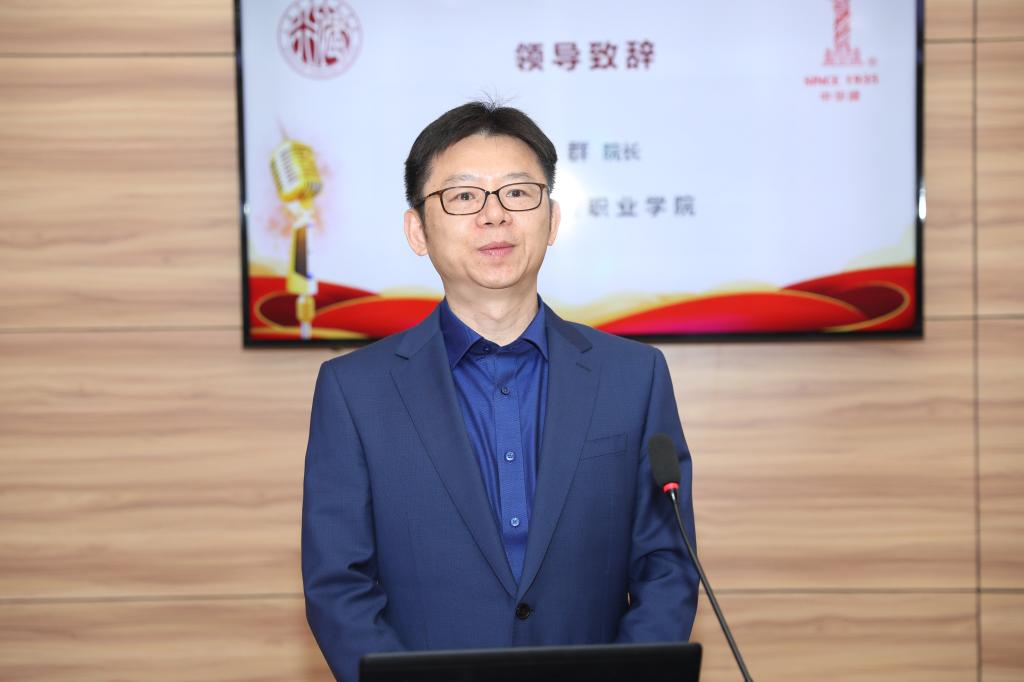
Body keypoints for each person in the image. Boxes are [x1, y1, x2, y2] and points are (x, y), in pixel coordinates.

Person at [302, 101, 698, 682]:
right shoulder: (354, 392)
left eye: (517, 192)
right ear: (417, 230)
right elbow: (339, 587)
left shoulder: (633, 377)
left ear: (552, 220)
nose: (495, 215)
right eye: (463, 196)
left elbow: (668, 566)